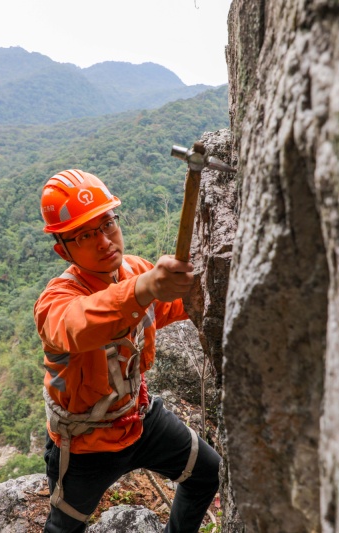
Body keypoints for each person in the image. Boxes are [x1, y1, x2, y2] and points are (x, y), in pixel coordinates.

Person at [34, 169, 221, 533]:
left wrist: (201, 286)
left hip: (139, 419)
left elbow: (178, 303)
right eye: (85, 235)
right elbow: (76, 326)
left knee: (207, 474)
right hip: (85, 444)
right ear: (63, 250)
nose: (104, 241)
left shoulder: (133, 271)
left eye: (107, 224)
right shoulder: (55, 302)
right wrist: (144, 288)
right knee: (63, 529)